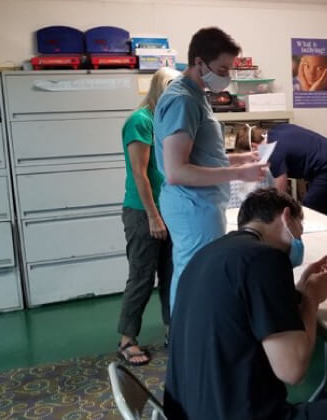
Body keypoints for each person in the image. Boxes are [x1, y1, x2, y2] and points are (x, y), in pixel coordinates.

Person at [164, 188, 327, 420]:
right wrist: (311, 298)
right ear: (287, 217)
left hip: (188, 410)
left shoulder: (211, 253)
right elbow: (292, 370)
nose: (298, 239)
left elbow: (252, 310)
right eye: (300, 229)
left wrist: (300, 289)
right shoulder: (266, 258)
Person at [153, 27, 268, 311]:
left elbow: (202, 158)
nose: (226, 76)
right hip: (192, 206)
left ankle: (189, 328)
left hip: (199, 204)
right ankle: (188, 331)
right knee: (196, 273)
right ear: (199, 63)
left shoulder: (196, 95)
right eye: (222, 69)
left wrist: (241, 159)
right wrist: (239, 174)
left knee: (196, 271)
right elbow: (177, 172)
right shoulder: (182, 100)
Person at [116, 67, 180, 366]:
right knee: (142, 277)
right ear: (159, 89)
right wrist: (154, 217)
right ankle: (127, 340)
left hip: (168, 209)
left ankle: (173, 329)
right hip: (143, 211)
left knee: (171, 275)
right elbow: (140, 174)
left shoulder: (167, 120)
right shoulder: (140, 121)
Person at [235, 123, 327, 216]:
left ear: (254, 147)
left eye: (250, 158)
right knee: (323, 213)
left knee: (311, 213)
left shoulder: (273, 151)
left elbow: (280, 193)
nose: (254, 162)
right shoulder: (278, 130)